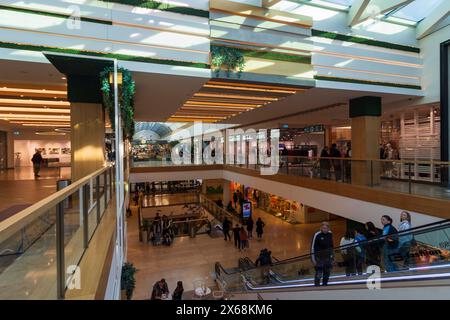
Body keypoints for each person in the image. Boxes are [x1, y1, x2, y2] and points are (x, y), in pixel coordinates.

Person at [311, 222, 334, 286]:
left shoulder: (330, 234)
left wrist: (332, 256)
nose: (325, 229)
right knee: (319, 272)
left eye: (326, 228)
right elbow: (313, 248)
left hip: (328, 257)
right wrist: (313, 259)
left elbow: (331, 246)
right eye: (323, 228)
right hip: (319, 258)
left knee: (327, 272)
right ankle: (317, 285)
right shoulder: (317, 235)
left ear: (328, 228)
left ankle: (325, 284)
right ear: (321, 228)